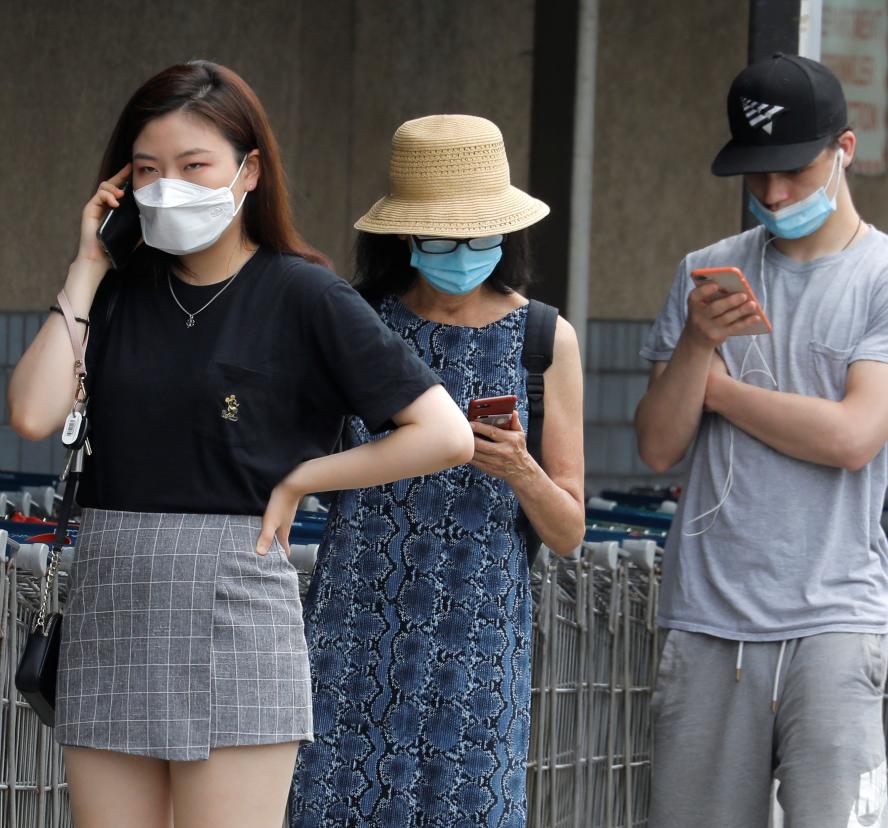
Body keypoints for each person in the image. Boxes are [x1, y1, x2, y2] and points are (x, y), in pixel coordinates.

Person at [6, 62, 474, 828]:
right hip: (114, 595)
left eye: (195, 167)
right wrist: (89, 263)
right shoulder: (116, 293)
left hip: (236, 594)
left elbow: (445, 433)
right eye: (148, 171)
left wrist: (300, 481)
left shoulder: (304, 293)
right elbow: (31, 413)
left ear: (249, 170)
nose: (169, 187)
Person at [634, 54, 888, 827]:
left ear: (843, 150)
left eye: (793, 171)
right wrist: (697, 348)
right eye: (755, 175)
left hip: (834, 615)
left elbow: (852, 437)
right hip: (707, 611)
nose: (774, 194)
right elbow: (656, 445)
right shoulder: (705, 272)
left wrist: (719, 387)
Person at [290, 114, 585, 827]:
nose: (462, 255)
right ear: (402, 235)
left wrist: (520, 469)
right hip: (353, 630)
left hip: (480, 645)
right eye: (441, 238)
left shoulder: (545, 338)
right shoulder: (355, 321)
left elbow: (569, 529)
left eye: (480, 238)